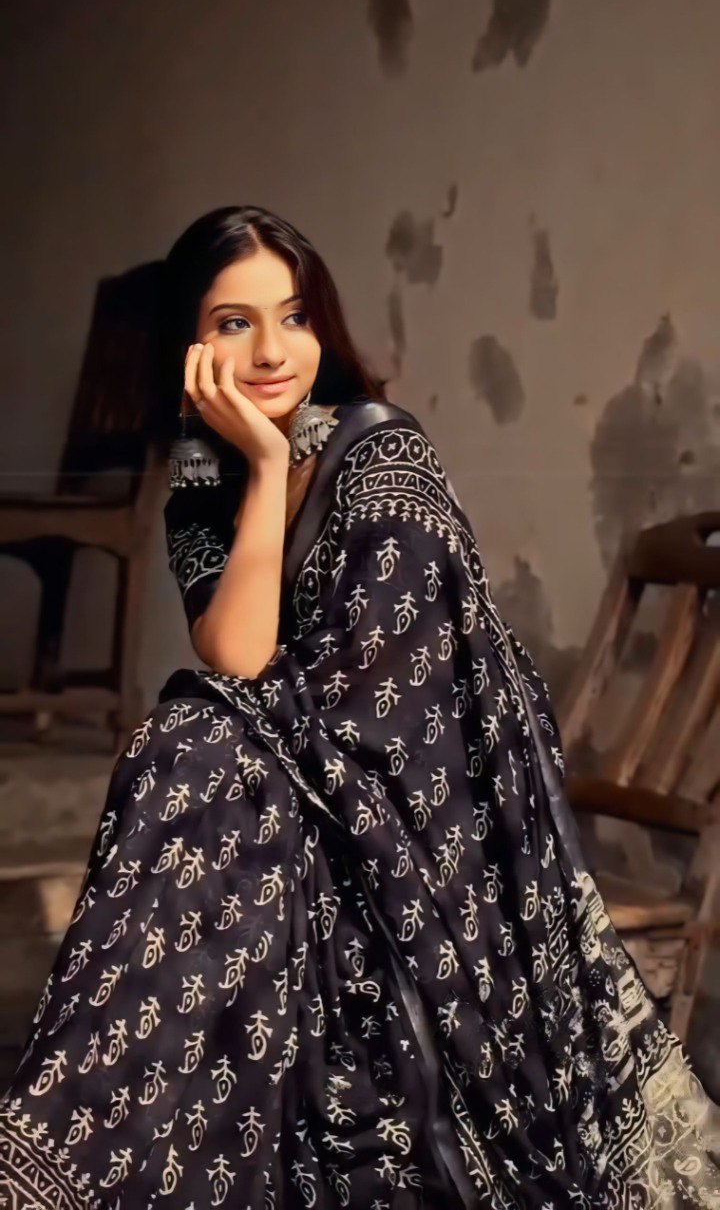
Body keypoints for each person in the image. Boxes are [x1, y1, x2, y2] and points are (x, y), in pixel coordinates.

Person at [0, 205, 718, 1210]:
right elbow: (240, 653)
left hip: (436, 822)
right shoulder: (206, 478)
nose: (271, 350)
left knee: (200, 750)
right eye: (232, 323)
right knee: (197, 741)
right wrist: (256, 463)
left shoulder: (385, 458)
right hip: (307, 792)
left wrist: (241, 745)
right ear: (189, 347)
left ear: (321, 323)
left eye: (291, 316)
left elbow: (395, 712)